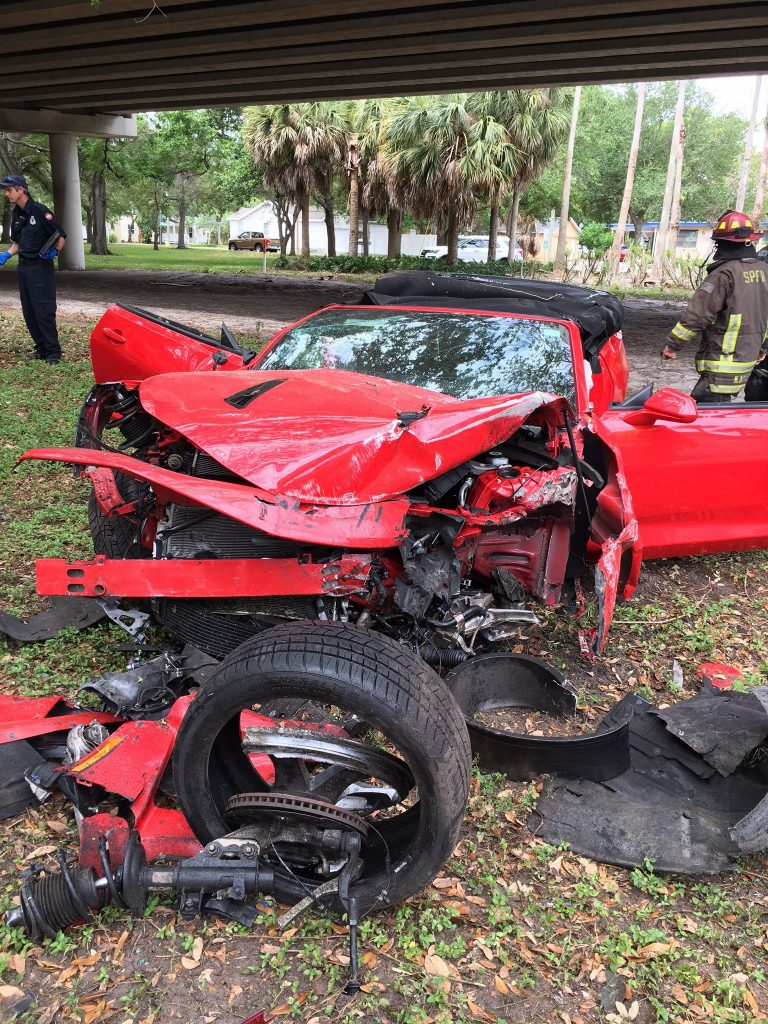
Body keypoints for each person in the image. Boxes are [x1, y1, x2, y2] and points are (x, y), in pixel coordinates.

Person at [661, 210, 768, 402]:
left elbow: (698, 314)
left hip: (723, 363)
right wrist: (764, 345)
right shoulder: (764, 271)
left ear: (720, 242)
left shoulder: (723, 274)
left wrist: (673, 346)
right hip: (750, 357)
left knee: (705, 414)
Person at [0, 174, 66, 364]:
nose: (6, 194)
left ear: (21, 190)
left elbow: (60, 236)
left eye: (9, 190)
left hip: (40, 267)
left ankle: (53, 352)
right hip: (24, 267)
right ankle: (42, 348)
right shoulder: (17, 213)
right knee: (29, 310)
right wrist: (7, 254)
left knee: (43, 309)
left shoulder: (40, 211)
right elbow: (18, 243)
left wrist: (54, 252)